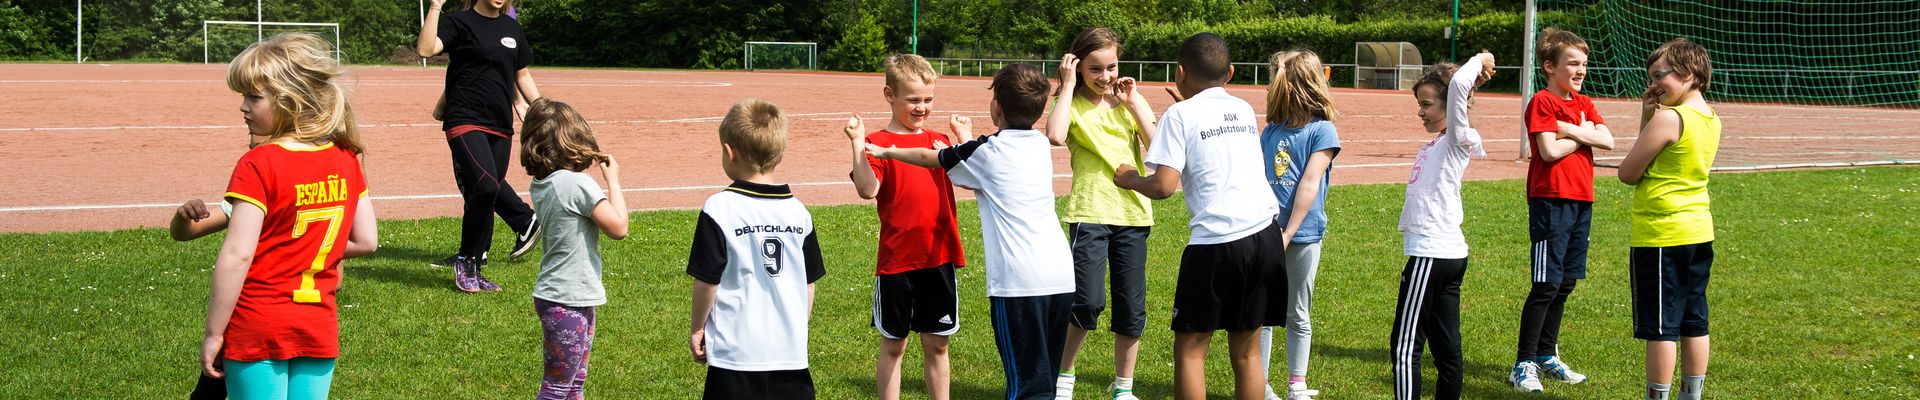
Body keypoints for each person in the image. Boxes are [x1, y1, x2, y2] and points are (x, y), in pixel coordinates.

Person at [866, 63, 1074, 400]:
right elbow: (1050, 131)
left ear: (997, 107)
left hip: (1019, 283)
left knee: (1025, 386)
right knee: (1045, 379)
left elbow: (930, 157)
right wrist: (1068, 84)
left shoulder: (987, 152)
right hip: (1062, 277)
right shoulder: (1038, 144)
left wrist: (887, 150)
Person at [201, 32, 379, 400]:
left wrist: (214, 333)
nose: (243, 107)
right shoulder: (345, 158)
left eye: (253, 96)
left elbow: (238, 255)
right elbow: (367, 241)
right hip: (317, 323)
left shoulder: (258, 163)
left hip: (259, 323)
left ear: (290, 100)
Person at [1113, 33, 1285, 400]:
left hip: (1218, 243)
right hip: (1265, 235)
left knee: (1191, 352)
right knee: (1247, 351)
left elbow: (1163, 185)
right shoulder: (1241, 107)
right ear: (1231, 72)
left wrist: (1129, 178)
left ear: (1179, 72)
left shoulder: (1180, 115)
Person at [841, 54, 965, 400]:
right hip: (897, 261)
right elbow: (868, 190)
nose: (921, 107)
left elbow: (972, 179)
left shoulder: (939, 141)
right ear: (889, 94)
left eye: (927, 99)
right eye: (912, 99)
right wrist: (857, 144)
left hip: (938, 257)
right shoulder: (877, 143)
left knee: (938, 345)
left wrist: (962, 139)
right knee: (894, 345)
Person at [1042, 27, 1157, 400]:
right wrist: (1068, 83)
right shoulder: (1071, 105)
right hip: (1090, 212)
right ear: (1077, 65)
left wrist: (1135, 103)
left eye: (1111, 67)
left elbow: (1160, 149)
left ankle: (1123, 387)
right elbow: (1056, 135)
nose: (1105, 77)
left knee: (1131, 305)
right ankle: (1064, 374)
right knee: (1086, 301)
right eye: (1094, 69)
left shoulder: (1128, 104)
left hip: (1133, 215)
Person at [689, 99, 826, 399]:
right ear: (779, 154)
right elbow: (808, 282)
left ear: (729, 152)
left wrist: (698, 327)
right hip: (789, 356)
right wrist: (795, 326)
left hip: (734, 356)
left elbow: (708, 281)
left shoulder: (719, 209)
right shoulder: (798, 212)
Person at [1510, 28, 1613, 393]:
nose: (1581, 69)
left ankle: (1546, 354)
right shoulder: (1542, 101)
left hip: (1582, 201)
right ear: (1550, 66)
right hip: (1550, 202)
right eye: (1573, 63)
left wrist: (1569, 128)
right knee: (1546, 283)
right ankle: (1523, 362)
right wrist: (1582, 133)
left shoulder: (1583, 103)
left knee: (1566, 282)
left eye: (1584, 63)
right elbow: (1549, 152)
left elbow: (1609, 140)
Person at [1617, 38, 1719, 400]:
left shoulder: (1669, 119)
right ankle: (1692, 394)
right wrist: (1649, 114)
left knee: (1660, 327)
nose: (1653, 85)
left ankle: (1656, 396)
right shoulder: (1710, 118)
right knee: (1695, 320)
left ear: (1689, 74)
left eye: (1660, 76)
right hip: (1698, 231)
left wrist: (1650, 118)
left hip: (1662, 235)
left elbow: (1628, 172)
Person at [416, 0, 543, 290]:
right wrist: (435, 6)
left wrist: (542, 109)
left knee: (485, 193)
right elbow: (425, 49)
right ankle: (465, 259)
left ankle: (474, 265)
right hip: (465, 118)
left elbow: (521, 74)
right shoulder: (459, 23)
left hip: (500, 125)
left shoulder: (512, 28)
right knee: (486, 186)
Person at [1389, 52, 1495, 400]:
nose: (1421, 111)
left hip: (1431, 255)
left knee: (1405, 347)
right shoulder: (1438, 143)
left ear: (1451, 104)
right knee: (1447, 349)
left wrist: (1481, 58)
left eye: (1427, 104)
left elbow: (1461, 84)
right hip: (1446, 255)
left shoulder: (1456, 139)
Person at [519, 98, 630, 399]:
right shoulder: (576, 184)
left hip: (563, 296)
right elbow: (618, 227)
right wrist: (613, 180)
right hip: (567, 299)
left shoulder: (543, 182)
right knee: (557, 388)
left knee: (572, 384)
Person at [1255, 48, 1341, 400]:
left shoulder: (1323, 131)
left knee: (1297, 311)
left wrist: (1288, 232)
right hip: (1265, 233)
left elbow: (1309, 184)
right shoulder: (1270, 131)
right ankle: (1258, 383)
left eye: (1279, 79)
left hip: (1302, 235)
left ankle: (1297, 383)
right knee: (1262, 311)